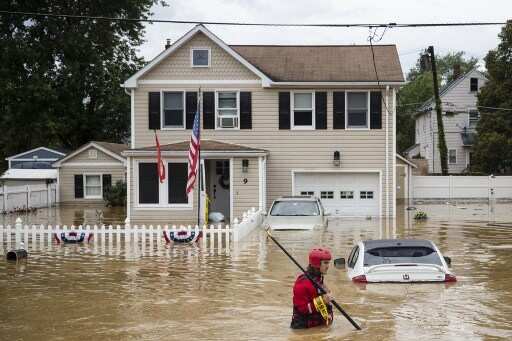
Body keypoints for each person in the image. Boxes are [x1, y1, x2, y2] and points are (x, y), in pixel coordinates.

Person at [291, 248, 334, 329]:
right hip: (303, 329)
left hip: (317, 327)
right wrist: (322, 300)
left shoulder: (318, 280)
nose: (328, 266)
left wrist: (326, 314)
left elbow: (319, 302)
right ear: (317, 264)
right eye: (325, 263)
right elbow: (302, 309)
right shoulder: (302, 283)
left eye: (328, 263)